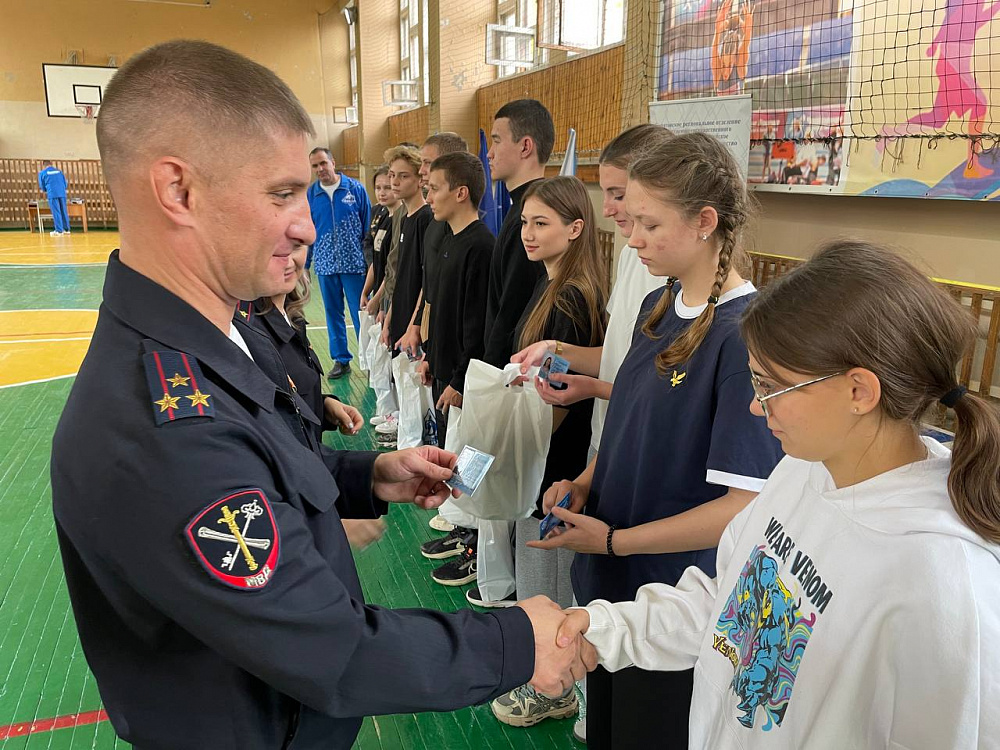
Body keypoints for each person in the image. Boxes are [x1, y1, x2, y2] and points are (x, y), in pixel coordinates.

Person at [50, 39, 596, 750]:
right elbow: (332, 650)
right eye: (280, 194)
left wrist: (365, 475)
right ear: (177, 190)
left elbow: (261, 462)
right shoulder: (160, 426)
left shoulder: (215, 339)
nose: (307, 223)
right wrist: (517, 643)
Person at [557, 239, 1000, 749]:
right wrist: (604, 625)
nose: (754, 407)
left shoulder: (941, 584)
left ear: (859, 390)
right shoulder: (798, 473)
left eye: (770, 387)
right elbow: (726, 605)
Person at [528, 132, 784, 748]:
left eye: (647, 223)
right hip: (615, 584)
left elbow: (742, 508)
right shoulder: (656, 303)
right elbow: (629, 428)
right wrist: (585, 485)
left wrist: (616, 541)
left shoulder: (742, 337)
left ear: (704, 222)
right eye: (629, 219)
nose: (632, 237)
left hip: (674, 600)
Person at [490, 175, 608, 726]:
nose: (527, 233)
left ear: (575, 228)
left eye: (541, 223)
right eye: (524, 222)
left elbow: (557, 396)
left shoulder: (573, 297)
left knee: (552, 577)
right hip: (545, 451)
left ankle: (556, 686)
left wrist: (512, 445)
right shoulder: (551, 283)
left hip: (557, 457)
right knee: (542, 569)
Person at [513, 124, 673, 467]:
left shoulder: (671, 277)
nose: (608, 208)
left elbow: (665, 393)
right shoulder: (633, 252)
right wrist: (553, 349)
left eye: (618, 194)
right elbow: (615, 354)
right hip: (607, 436)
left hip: (641, 444)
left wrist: (592, 388)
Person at [244, 246, 385, 551]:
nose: (290, 258)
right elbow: (272, 436)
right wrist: (325, 526)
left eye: (296, 248)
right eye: (275, 249)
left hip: (314, 476)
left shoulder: (289, 317)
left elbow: (289, 395)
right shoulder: (251, 333)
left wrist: (325, 405)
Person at [483, 99, 554, 367]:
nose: (489, 153)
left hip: (514, 365)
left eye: (497, 141)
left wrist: (490, 372)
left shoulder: (527, 217)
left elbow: (512, 310)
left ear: (525, 146)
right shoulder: (522, 209)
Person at [396, 132, 469, 359]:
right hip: (432, 343)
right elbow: (429, 283)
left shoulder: (468, 235)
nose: (421, 170)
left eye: (427, 162)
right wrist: (415, 325)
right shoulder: (437, 223)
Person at [307, 147, 371, 379]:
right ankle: (341, 359)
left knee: (362, 312)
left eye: (323, 163)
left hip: (354, 264)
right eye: (315, 166)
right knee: (333, 313)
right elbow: (307, 230)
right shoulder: (311, 195)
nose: (320, 169)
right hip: (325, 265)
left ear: (333, 162)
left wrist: (369, 262)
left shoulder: (355, 189)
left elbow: (367, 227)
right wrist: (305, 266)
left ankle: (371, 359)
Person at [360, 165, 397, 316]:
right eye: (378, 188)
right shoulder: (380, 213)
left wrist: (380, 300)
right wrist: (366, 292)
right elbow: (376, 260)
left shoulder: (400, 220)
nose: (382, 193)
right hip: (379, 289)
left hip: (391, 294)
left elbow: (393, 268)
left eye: (387, 187)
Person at [37, 160, 71, 236]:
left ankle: (59, 230)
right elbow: (65, 183)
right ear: (51, 164)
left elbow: (42, 186)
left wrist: (46, 190)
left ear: (44, 165)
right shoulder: (59, 172)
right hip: (62, 193)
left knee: (56, 212)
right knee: (63, 211)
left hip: (52, 193)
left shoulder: (42, 173)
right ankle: (66, 229)